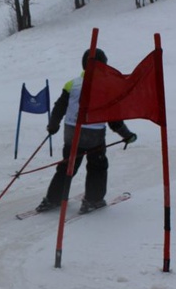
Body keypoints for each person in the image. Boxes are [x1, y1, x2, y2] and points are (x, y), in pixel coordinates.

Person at [36, 48, 137, 215]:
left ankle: (53, 199)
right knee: (97, 166)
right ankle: (93, 199)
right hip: (94, 136)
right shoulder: (106, 88)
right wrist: (126, 135)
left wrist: (53, 125)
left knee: (67, 166)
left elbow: (59, 107)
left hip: (71, 134)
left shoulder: (72, 84)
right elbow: (114, 119)